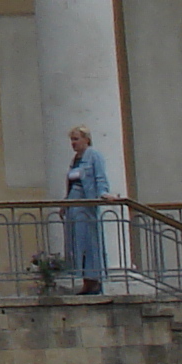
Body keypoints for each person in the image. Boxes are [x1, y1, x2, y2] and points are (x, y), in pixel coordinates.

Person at [64, 126, 112, 294]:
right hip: (73, 205)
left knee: (90, 241)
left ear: (86, 139)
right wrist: (65, 204)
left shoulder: (93, 155)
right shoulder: (75, 159)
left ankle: (94, 279)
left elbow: (100, 177)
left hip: (86, 204)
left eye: (76, 139)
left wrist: (103, 193)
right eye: (72, 140)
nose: (73, 143)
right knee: (76, 242)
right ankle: (83, 279)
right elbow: (70, 184)